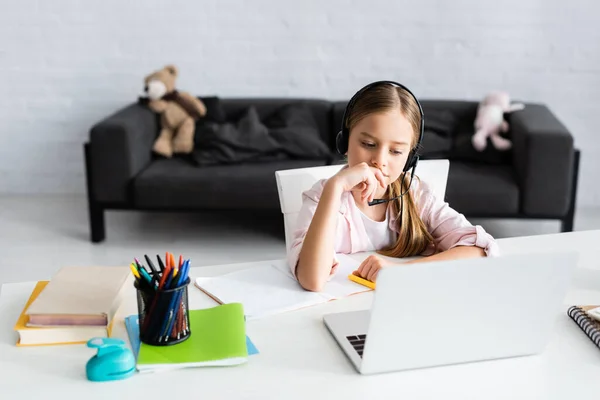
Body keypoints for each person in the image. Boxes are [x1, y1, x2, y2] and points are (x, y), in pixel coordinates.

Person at [288, 81, 499, 292]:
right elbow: (312, 280)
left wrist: (401, 271)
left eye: (396, 151)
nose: (379, 160)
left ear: (409, 160)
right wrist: (335, 187)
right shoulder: (322, 197)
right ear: (344, 142)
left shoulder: (417, 196)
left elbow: (481, 249)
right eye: (368, 145)